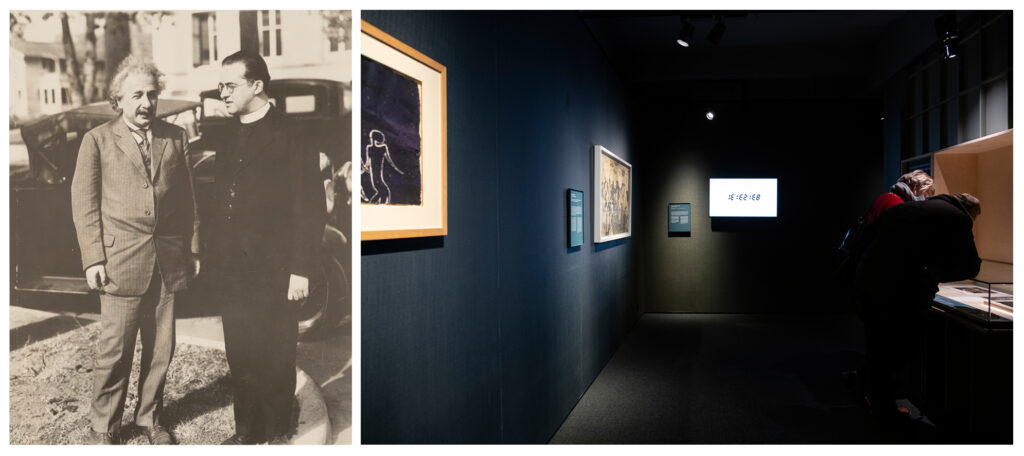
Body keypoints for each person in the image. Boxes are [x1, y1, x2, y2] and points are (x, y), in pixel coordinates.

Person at [70, 56, 200, 445]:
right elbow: (84, 203)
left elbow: (189, 200)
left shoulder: (174, 138)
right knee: (115, 350)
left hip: (168, 261)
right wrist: (93, 257)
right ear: (118, 100)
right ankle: (103, 427)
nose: (146, 102)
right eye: (137, 95)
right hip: (119, 262)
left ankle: (149, 420)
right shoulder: (97, 140)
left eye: (152, 94)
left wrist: (193, 249)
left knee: (162, 348)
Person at [210, 50, 326, 445]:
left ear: (257, 86)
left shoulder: (292, 134)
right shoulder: (225, 134)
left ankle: (276, 430)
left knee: (276, 351)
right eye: (220, 85)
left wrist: (302, 268)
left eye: (230, 85)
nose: (221, 93)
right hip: (233, 270)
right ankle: (247, 431)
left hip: (277, 270)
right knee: (239, 352)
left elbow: (310, 207)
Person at [854, 193, 981, 424]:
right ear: (970, 213)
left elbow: (865, 240)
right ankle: (884, 411)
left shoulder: (906, 209)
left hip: (870, 281)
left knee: (878, 343)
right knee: (902, 346)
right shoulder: (958, 219)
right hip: (901, 291)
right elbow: (970, 266)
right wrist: (933, 272)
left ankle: (871, 392)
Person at [866, 170, 935, 224]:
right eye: (924, 195)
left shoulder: (885, 197)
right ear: (915, 187)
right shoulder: (898, 204)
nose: (924, 200)